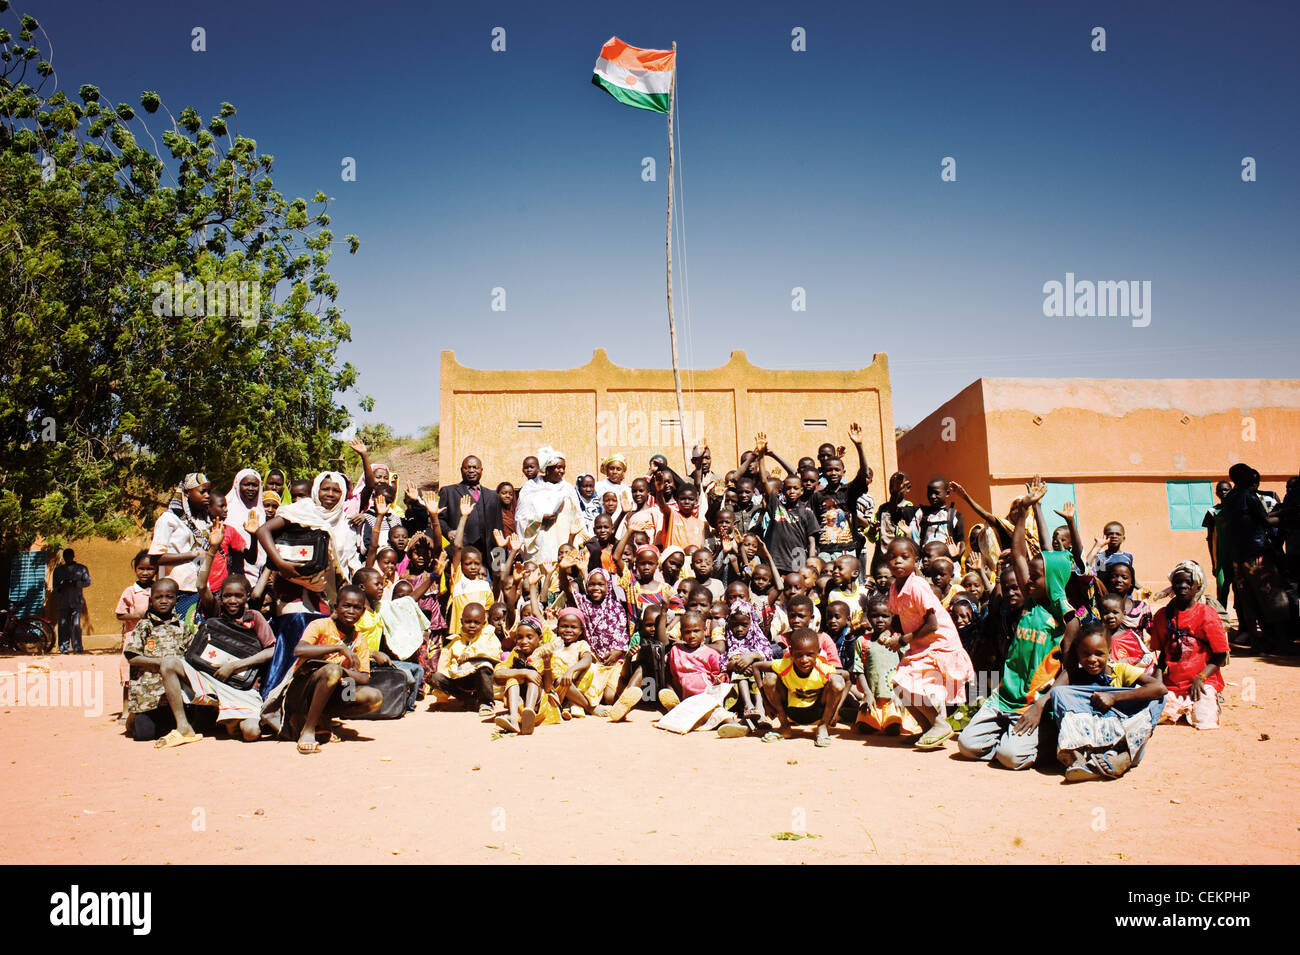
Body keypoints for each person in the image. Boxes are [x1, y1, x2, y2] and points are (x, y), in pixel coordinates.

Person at [956, 482, 1079, 769]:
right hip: (1006, 696)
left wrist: (1041, 704)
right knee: (967, 745)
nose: (1028, 582)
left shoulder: (1067, 619)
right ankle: (1008, 739)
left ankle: (1035, 741)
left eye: (1035, 578)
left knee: (1010, 758)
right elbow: (1020, 554)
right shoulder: (1032, 603)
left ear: (1051, 580)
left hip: (1033, 702)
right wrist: (1023, 512)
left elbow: (1069, 671)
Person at [878, 537, 975, 748]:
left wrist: (902, 639)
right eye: (893, 558)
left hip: (939, 643)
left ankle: (940, 723)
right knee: (899, 685)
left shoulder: (918, 586)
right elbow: (897, 618)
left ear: (916, 561)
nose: (898, 562)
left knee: (909, 683)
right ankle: (928, 729)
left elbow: (932, 624)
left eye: (905, 557)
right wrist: (888, 631)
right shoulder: (895, 588)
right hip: (921, 643)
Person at [1049, 622, 1166, 781]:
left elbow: (1160, 688)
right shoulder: (1074, 674)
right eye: (1085, 654)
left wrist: (1114, 697)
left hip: (1122, 741)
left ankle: (1122, 757)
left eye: (1099, 654)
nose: (1092, 659)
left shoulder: (1121, 670)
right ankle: (1077, 758)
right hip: (1088, 740)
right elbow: (1053, 694)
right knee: (1059, 693)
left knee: (1157, 698)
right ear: (1077, 654)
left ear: (1109, 652)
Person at [275, 585, 383, 753]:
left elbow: (364, 677)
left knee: (373, 697)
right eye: (346, 606)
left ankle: (324, 717)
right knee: (332, 671)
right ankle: (308, 729)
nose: (351, 611)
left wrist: (345, 672)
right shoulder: (320, 625)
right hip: (302, 691)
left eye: (357, 608)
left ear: (363, 612)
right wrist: (338, 649)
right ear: (336, 607)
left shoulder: (359, 638)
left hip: (333, 690)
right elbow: (299, 650)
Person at [1149, 560, 1230, 730]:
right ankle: (1186, 706)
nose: (1183, 586)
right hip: (1174, 683)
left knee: (1205, 722)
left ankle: (1209, 701)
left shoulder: (1206, 614)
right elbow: (1163, 652)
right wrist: (1157, 679)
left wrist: (1201, 677)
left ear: (1197, 587)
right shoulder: (1163, 616)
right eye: (1178, 582)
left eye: (1189, 582)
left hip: (1203, 680)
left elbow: (1220, 654)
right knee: (1156, 717)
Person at [123, 578, 202, 745]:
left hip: (174, 698)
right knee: (144, 735)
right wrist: (163, 663)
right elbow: (132, 656)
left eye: (169, 596)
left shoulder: (182, 627)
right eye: (158, 597)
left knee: (172, 729)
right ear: (151, 600)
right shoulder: (144, 626)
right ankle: (134, 716)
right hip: (148, 696)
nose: (164, 601)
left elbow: (191, 659)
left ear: (175, 600)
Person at [754, 628, 849, 747]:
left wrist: (836, 710)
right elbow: (756, 667)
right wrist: (766, 702)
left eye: (810, 655)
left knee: (837, 681)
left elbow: (847, 678)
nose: (804, 660)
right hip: (791, 712)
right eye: (799, 655)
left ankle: (823, 727)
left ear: (818, 652)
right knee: (770, 677)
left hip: (817, 713)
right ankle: (784, 727)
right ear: (791, 652)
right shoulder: (785, 665)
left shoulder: (823, 669)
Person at [148, 472, 211, 622]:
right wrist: (192, 555)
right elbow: (156, 558)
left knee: (194, 634)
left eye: (209, 491)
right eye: (202, 491)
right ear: (188, 493)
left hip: (198, 588)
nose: (207, 495)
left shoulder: (203, 522)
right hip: (176, 590)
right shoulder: (169, 519)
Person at [431, 603, 500, 716]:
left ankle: (486, 702)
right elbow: (443, 666)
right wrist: (441, 700)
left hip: (480, 680)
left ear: (484, 623)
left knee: (485, 666)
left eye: (476, 622)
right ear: (461, 621)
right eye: (468, 622)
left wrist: (472, 655)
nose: (472, 625)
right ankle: (467, 699)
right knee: (436, 677)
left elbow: (495, 655)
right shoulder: (455, 642)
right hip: (460, 680)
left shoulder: (489, 637)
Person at [114, 551, 158, 721]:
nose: (145, 573)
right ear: (135, 568)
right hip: (133, 636)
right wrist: (136, 615)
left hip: (153, 637)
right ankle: (126, 710)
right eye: (141, 568)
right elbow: (119, 614)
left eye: (150, 569)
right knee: (128, 672)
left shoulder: (158, 589)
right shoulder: (130, 591)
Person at [438, 456, 503, 567]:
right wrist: (448, 531)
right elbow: (439, 519)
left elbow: (498, 529)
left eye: (475, 467)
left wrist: (499, 563)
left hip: (487, 556)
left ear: (481, 470)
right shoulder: (449, 492)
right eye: (467, 468)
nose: (471, 470)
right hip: (460, 553)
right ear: (461, 470)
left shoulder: (493, 496)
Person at [51, 548, 91, 654]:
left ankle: (77, 647)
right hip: (63, 601)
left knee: (76, 624)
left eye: (69, 556)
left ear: (73, 556)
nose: (67, 558)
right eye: (65, 556)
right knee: (63, 625)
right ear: (63, 557)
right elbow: (55, 587)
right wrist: (62, 585)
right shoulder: (58, 570)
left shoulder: (82, 569)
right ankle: (64, 648)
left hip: (76, 601)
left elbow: (88, 582)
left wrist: (76, 583)